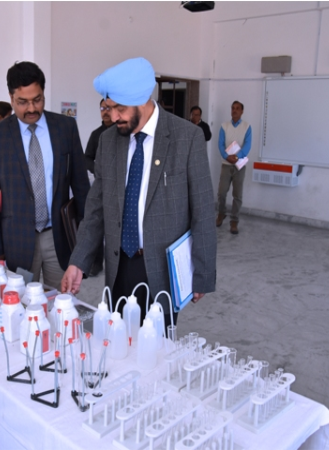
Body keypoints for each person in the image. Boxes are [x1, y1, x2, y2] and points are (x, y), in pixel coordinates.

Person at [61, 57, 217, 328]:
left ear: (142, 100)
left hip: (163, 269)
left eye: (119, 108)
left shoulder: (187, 138)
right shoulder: (109, 141)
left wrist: (202, 273)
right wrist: (78, 261)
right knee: (117, 337)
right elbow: (96, 208)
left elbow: (203, 211)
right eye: (108, 108)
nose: (113, 117)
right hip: (119, 264)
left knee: (157, 344)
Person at [0, 61, 90, 289]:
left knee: (61, 301)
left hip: (57, 238)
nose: (31, 108)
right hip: (17, 240)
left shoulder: (65, 128)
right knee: (17, 302)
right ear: (11, 98)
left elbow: (81, 187)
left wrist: (86, 243)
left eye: (37, 100)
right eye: (23, 102)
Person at [83, 99, 114, 277]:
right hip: (102, 185)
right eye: (102, 108)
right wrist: (97, 170)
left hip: (121, 187)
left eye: (108, 108)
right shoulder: (96, 134)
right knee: (97, 223)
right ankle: (96, 262)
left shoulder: (122, 131)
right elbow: (87, 157)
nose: (105, 111)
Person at [216, 101, 252, 235]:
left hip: (239, 166)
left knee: (237, 195)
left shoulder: (247, 127)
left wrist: (237, 156)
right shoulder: (224, 126)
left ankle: (234, 221)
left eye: (237, 108)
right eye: (233, 108)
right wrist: (227, 156)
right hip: (226, 164)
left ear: (242, 111)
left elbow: (247, 145)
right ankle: (221, 213)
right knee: (221, 192)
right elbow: (220, 144)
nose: (234, 110)